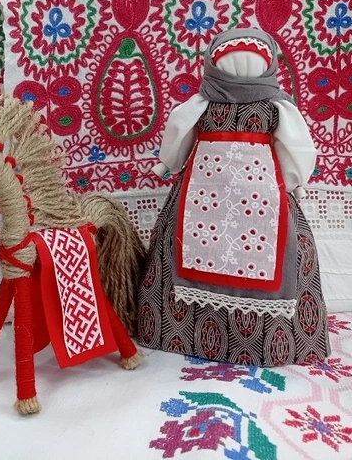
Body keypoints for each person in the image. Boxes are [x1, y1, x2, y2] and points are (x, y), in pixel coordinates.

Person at [137, 28, 329, 366]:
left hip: (255, 197)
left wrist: (170, 162)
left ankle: (195, 333)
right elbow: (296, 148)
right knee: (187, 246)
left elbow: (179, 134)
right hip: (213, 193)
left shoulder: (269, 105)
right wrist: (295, 178)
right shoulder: (215, 103)